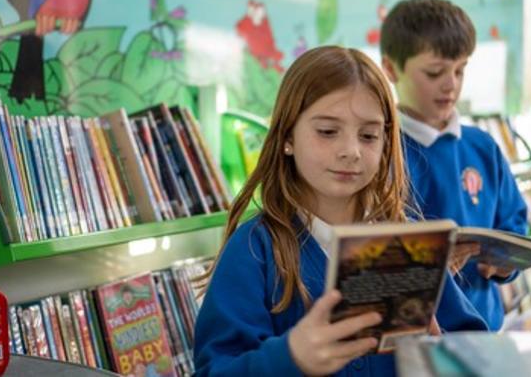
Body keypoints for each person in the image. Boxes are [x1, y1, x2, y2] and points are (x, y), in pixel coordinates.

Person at [192, 45, 487, 377]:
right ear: (287, 135)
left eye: (368, 135)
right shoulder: (253, 249)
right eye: (328, 132)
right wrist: (290, 357)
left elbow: (476, 352)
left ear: (385, 141)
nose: (351, 151)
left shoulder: (408, 246)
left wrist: (440, 353)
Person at [380, 0, 529, 331]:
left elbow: (515, 224)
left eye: (460, 70)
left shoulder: (483, 147)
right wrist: (428, 266)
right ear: (390, 69)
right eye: (435, 73)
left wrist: (506, 264)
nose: (451, 84)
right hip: (409, 337)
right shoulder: (379, 150)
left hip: (486, 329)